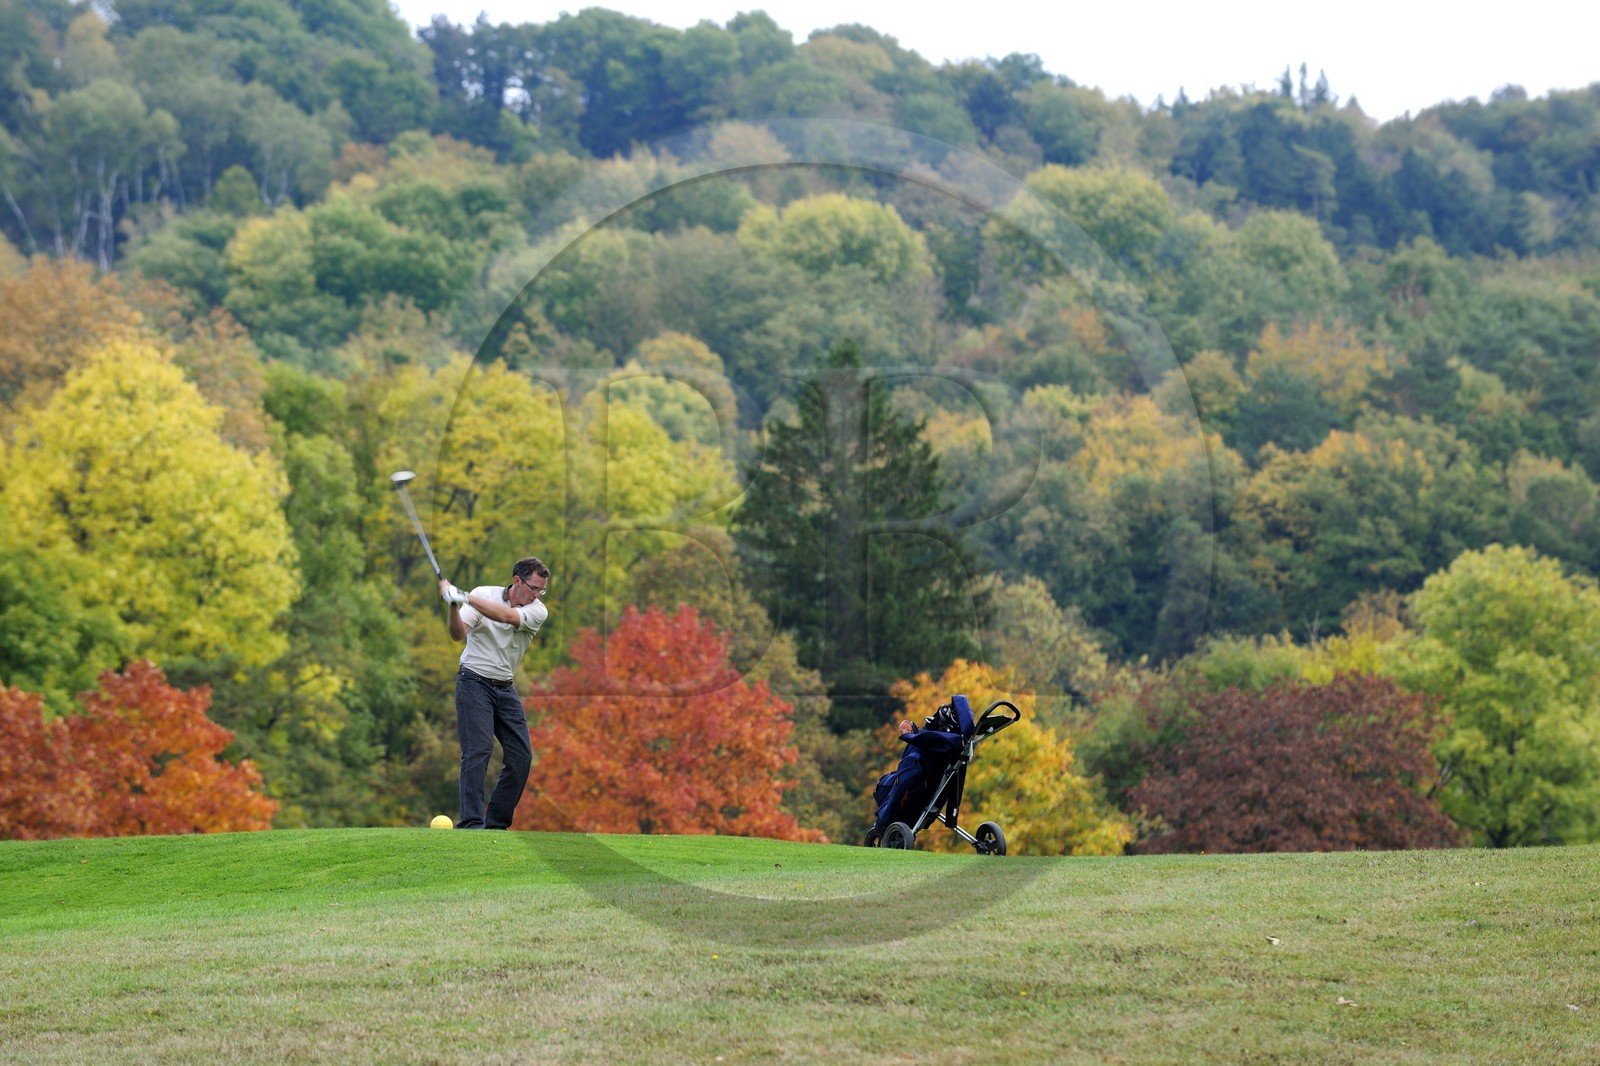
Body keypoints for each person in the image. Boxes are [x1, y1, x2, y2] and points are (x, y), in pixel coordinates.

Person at [439, 557, 551, 829]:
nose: (537, 595)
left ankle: (496, 824)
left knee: (521, 756)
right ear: (516, 581)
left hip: (505, 687)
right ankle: (471, 823)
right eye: (534, 588)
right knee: (478, 751)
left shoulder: (537, 611)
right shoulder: (482, 594)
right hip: (473, 681)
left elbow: (505, 616)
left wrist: (463, 596)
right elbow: (457, 634)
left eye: (541, 590)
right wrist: (454, 606)